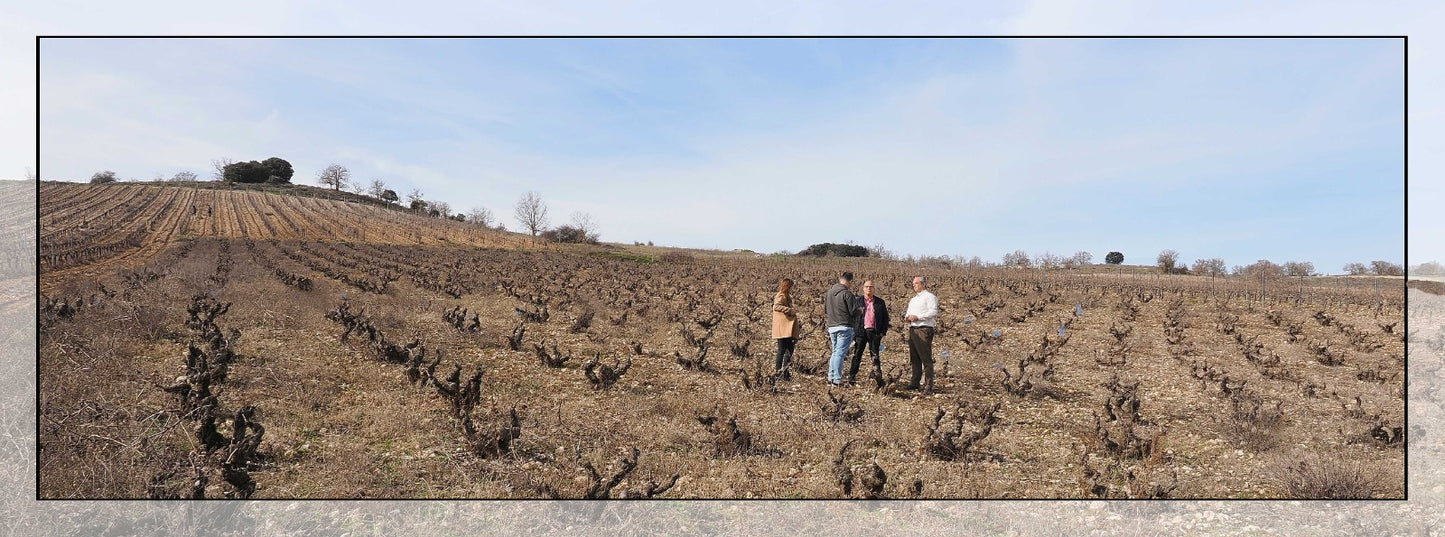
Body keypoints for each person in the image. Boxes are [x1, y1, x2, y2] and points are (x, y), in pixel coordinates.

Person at [847, 280, 890, 386]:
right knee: (857, 355)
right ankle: (851, 377)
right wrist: (854, 331)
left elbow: (885, 318)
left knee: (875, 355)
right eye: (867, 287)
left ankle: (878, 378)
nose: (869, 289)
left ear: (874, 288)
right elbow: (851, 316)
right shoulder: (858, 302)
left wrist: (882, 332)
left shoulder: (880, 302)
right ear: (863, 288)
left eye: (871, 287)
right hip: (860, 332)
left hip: (874, 332)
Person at [904, 275, 939, 393]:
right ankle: (915, 382)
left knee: (925, 358)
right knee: (914, 357)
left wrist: (918, 317)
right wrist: (908, 318)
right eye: (913, 284)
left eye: (916, 283)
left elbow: (933, 311)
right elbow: (909, 312)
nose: (914, 285)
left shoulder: (930, 297)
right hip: (913, 329)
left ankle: (929, 384)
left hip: (924, 329)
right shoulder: (913, 299)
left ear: (923, 284)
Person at [823, 271, 857, 386]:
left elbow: (826, 310)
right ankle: (837, 379)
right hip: (844, 326)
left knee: (835, 352)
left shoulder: (829, 293)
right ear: (849, 281)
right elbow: (853, 311)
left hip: (832, 326)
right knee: (840, 354)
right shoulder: (847, 294)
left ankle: (831, 377)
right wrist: (861, 310)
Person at [771, 278, 800, 380]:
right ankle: (779, 373)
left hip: (787, 327)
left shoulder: (786, 296)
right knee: (782, 351)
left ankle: (785, 373)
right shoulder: (781, 296)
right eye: (791, 286)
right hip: (783, 328)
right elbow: (776, 306)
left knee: (789, 351)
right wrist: (789, 310)